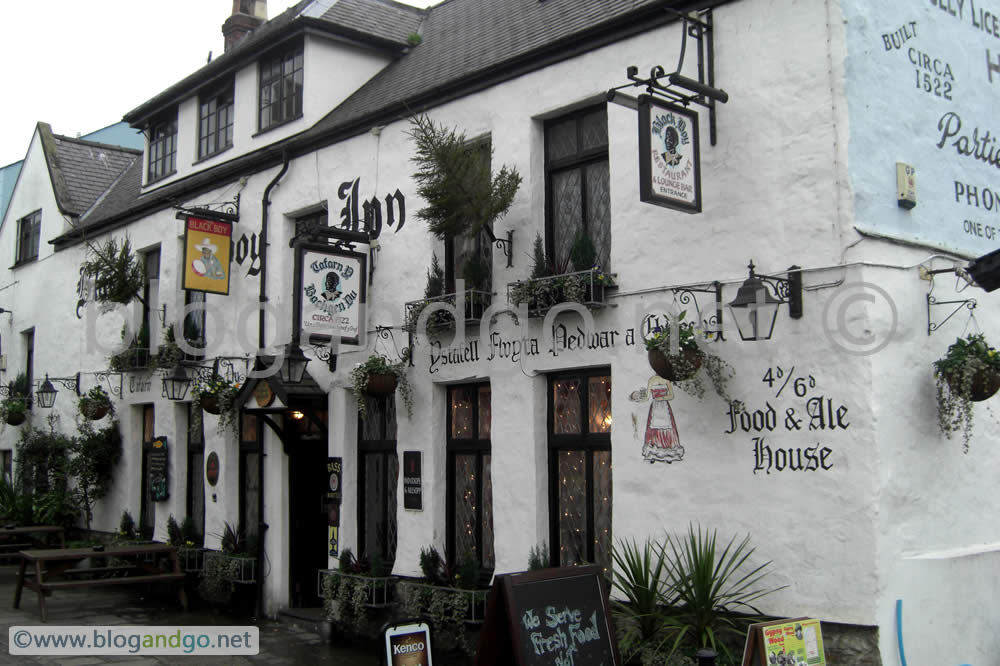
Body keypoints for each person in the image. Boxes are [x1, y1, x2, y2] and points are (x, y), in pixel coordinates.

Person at [642, 375, 684, 463]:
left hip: (664, 406)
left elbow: (671, 396)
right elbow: (647, 396)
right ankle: (653, 453)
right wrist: (637, 397)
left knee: (667, 428)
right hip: (655, 407)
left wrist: (662, 398)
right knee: (654, 430)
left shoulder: (666, 380)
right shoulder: (651, 380)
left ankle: (668, 454)